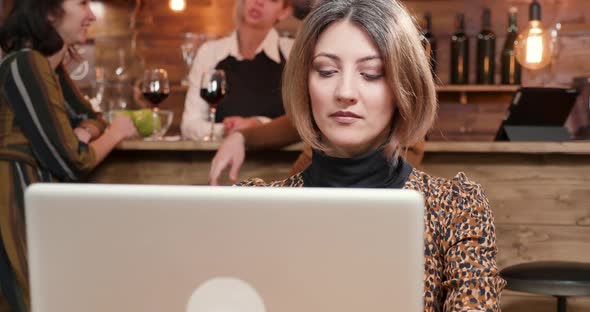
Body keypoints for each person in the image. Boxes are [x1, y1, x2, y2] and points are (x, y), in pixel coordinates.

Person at [233, 0, 506, 310]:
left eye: (371, 73)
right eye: (326, 71)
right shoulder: (253, 209)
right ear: (304, 84)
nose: (345, 91)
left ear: (404, 87)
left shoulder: (456, 209)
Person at [0, 1, 137, 311]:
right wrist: (116, 134)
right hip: (12, 196)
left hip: (28, 195)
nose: (91, 15)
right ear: (49, 12)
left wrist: (87, 132)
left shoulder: (49, 67)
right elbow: (73, 161)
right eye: (82, 3)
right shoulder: (27, 64)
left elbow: (91, 115)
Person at [181, 0, 293, 140]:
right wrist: (226, 129)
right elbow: (189, 124)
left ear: (284, 12)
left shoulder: (293, 53)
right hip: (217, 158)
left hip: (282, 161)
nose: (259, 1)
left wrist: (258, 125)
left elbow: (304, 122)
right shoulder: (209, 53)